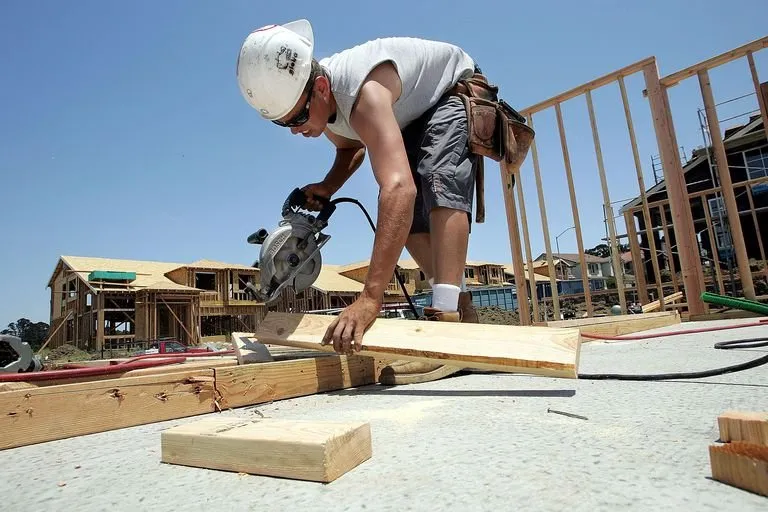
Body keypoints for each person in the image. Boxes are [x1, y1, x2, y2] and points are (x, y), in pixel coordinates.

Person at [236, 19, 486, 385]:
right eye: (284, 123)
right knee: (409, 221)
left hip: (453, 90)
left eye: (300, 116)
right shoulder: (332, 107)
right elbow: (351, 146)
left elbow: (398, 189)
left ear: (320, 87)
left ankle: (446, 329)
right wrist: (326, 187)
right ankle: (458, 308)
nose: (296, 129)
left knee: (435, 178)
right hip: (414, 111)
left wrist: (370, 297)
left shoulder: (360, 93)